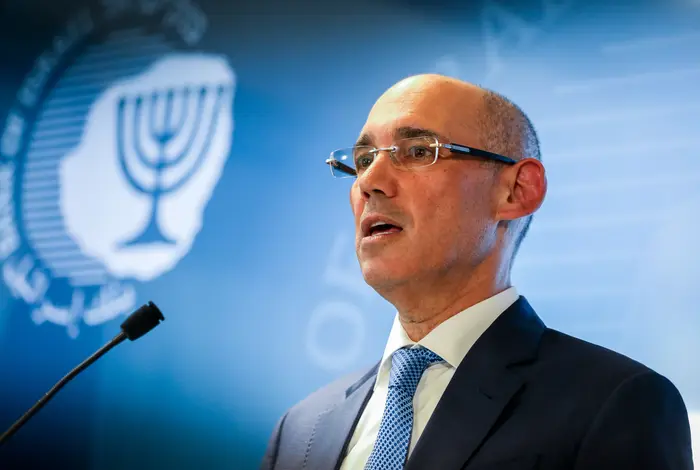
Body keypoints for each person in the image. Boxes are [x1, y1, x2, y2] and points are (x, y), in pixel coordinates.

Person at [260, 74, 694, 470]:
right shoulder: (301, 430)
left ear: (516, 191)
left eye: (418, 151)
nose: (370, 181)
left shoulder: (616, 403)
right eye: (363, 159)